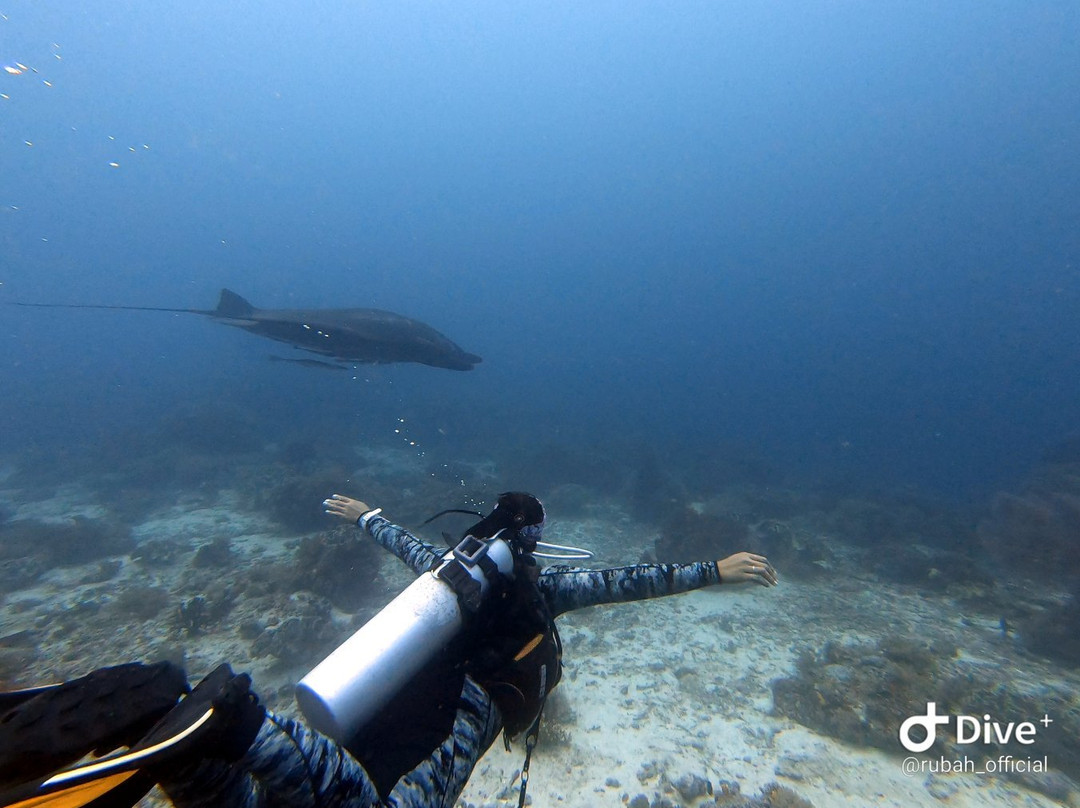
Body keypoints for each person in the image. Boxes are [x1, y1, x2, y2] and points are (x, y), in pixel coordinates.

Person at [0, 492, 776, 808]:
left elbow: (409, 545)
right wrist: (711, 572)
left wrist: (369, 515)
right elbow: (632, 581)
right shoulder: (538, 590)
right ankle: (231, 725)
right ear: (537, 545)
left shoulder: (456, 576)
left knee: (274, 802)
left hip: (389, 694)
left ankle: (173, 731)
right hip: (450, 724)